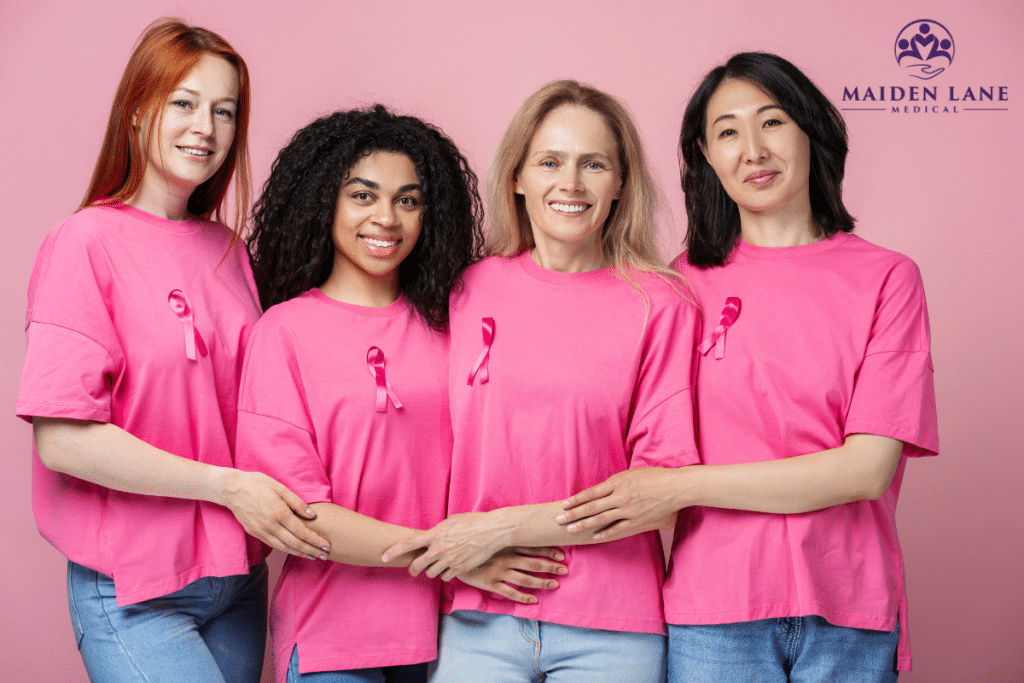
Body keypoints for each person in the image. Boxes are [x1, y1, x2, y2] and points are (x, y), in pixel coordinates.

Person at [558, 52, 938, 682]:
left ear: (811, 132)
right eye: (728, 131)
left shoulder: (887, 279)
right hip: (714, 612)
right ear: (706, 155)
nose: (753, 149)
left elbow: (866, 469)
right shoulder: (675, 287)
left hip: (850, 609)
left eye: (773, 122)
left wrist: (682, 487)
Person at [15, 18, 330, 683]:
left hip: (237, 580)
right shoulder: (83, 243)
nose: (206, 128)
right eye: (184, 103)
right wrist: (227, 486)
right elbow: (63, 440)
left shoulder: (227, 250)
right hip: (134, 589)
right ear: (136, 112)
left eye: (224, 111)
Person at [381, 80, 701, 682]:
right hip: (476, 618)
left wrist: (499, 528)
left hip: (612, 626)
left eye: (594, 164)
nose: (571, 183)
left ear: (621, 184)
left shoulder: (661, 304)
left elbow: (657, 495)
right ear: (518, 178)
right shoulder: (462, 291)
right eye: (550, 161)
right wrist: (456, 553)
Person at [238, 106, 566, 683]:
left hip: (452, 638)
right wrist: (457, 557)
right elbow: (301, 517)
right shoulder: (282, 333)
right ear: (324, 202)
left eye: (408, 200)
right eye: (362, 196)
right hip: (331, 641)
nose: (386, 218)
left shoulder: (456, 326)